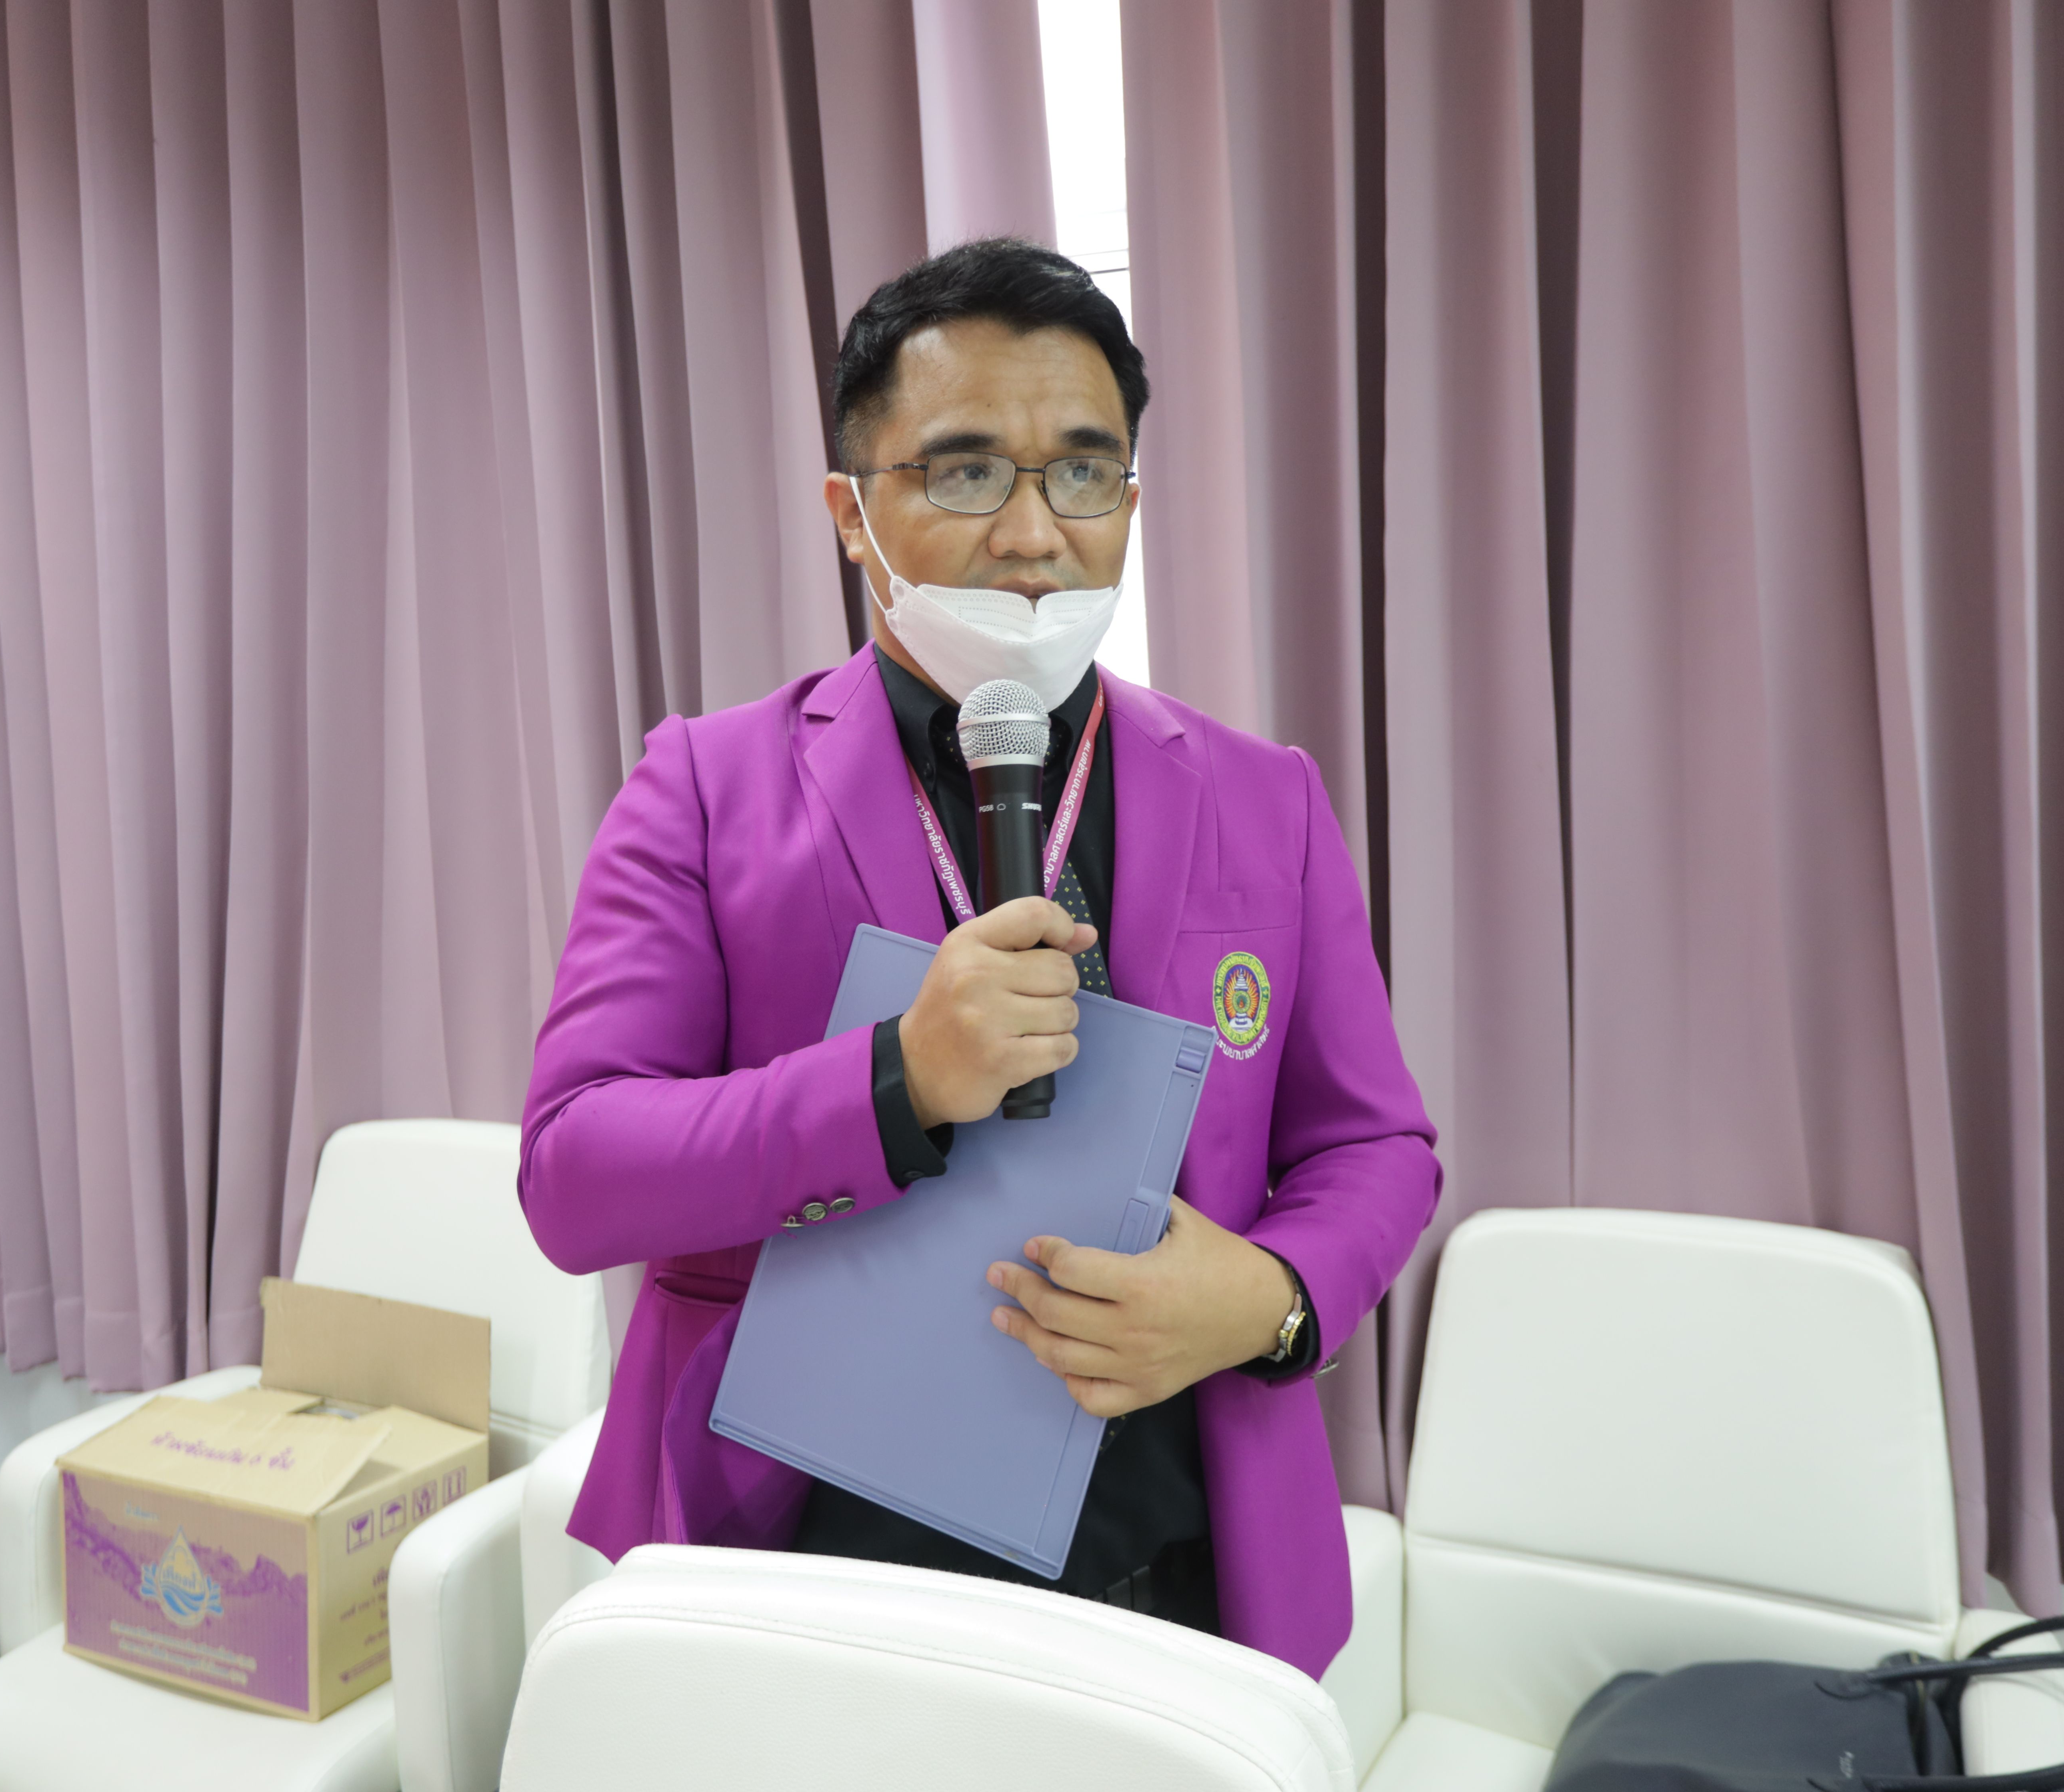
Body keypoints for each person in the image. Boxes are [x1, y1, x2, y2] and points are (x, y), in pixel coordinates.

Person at [518, 238, 1438, 1677]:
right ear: (851, 513)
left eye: (1084, 472)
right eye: (963, 473)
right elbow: (575, 1173)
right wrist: (895, 1079)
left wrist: (1269, 1299)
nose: (1031, 531)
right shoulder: (704, 787)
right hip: (806, 1570)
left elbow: (1377, 1147)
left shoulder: (1268, 798)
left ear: (1129, 500)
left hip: (1178, 1570)